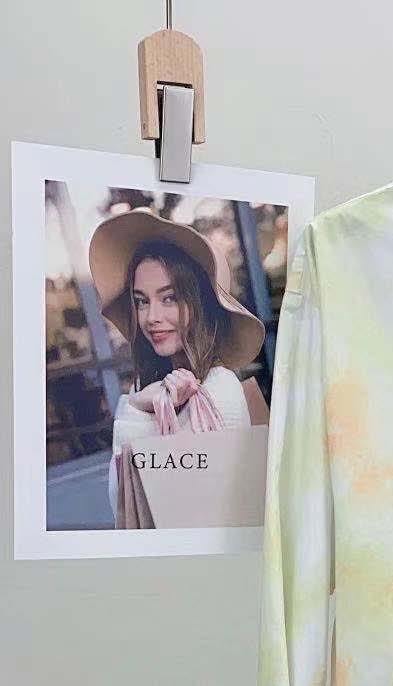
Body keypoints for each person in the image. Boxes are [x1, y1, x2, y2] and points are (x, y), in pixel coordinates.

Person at [87, 208, 266, 523]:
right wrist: (138, 406)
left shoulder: (218, 389)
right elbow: (124, 506)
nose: (152, 317)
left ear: (200, 303)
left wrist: (136, 413)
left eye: (169, 298)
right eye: (141, 301)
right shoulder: (150, 387)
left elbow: (176, 507)